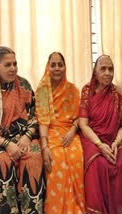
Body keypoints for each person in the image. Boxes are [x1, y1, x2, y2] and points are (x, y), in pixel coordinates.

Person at [0, 46, 45, 213]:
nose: (13, 68)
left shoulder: (23, 85)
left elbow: (35, 116)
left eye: (15, 64)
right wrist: (8, 144)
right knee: (3, 163)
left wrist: (27, 137)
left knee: (34, 158)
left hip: (25, 137)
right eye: (7, 65)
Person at [79, 55, 122, 214]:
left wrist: (116, 142)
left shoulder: (118, 94)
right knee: (97, 164)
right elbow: (83, 124)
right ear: (95, 72)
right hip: (92, 138)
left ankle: (120, 209)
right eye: (103, 69)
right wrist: (100, 145)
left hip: (114, 138)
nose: (108, 73)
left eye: (111, 69)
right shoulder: (87, 91)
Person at [35, 52, 85, 213]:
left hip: (70, 130)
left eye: (60, 65)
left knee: (76, 156)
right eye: (53, 65)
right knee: (56, 159)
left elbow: (79, 116)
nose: (57, 68)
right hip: (50, 131)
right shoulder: (42, 89)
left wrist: (72, 130)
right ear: (48, 67)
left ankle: (76, 208)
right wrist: (44, 147)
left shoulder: (73, 89)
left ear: (65, 67)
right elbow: (42, 120)